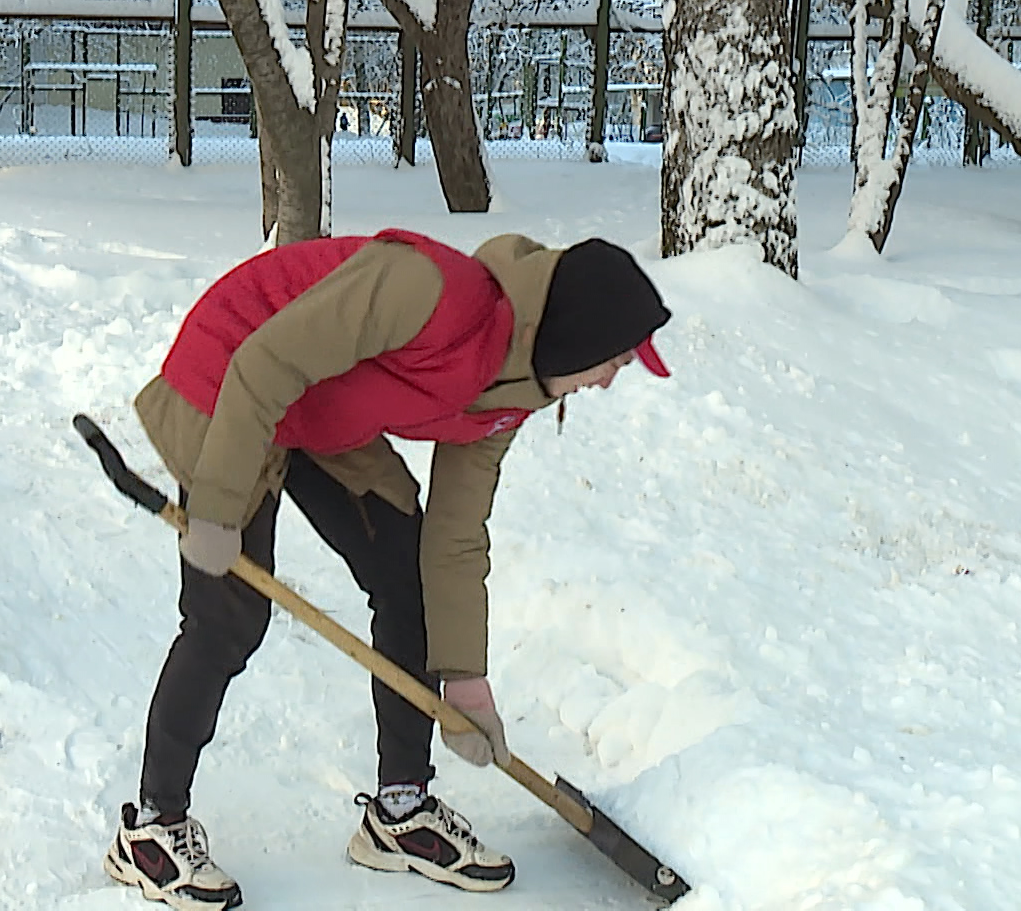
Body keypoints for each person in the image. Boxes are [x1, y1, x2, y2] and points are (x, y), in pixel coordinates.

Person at [103, 228, 672, 909]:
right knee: (227, 615)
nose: (611, 380)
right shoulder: (429, 292)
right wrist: (221, 509)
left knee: (409, 580)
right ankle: (152, 828)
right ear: (578, 335)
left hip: (322, 409)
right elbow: (266, 362)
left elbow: (456, 538)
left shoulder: (515, 394)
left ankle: (400, 809)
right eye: (615, 360)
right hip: (236, 369)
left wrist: (463, 680)